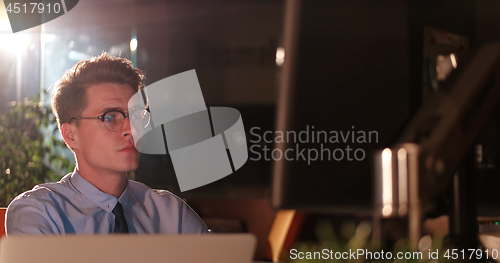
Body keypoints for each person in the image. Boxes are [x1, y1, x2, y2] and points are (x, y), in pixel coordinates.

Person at [5, 53, 209, 235]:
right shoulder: (41, 211)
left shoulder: (169, 213)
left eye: (136, 115)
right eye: (110, 117)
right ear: (70, 135)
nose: (131, 129)